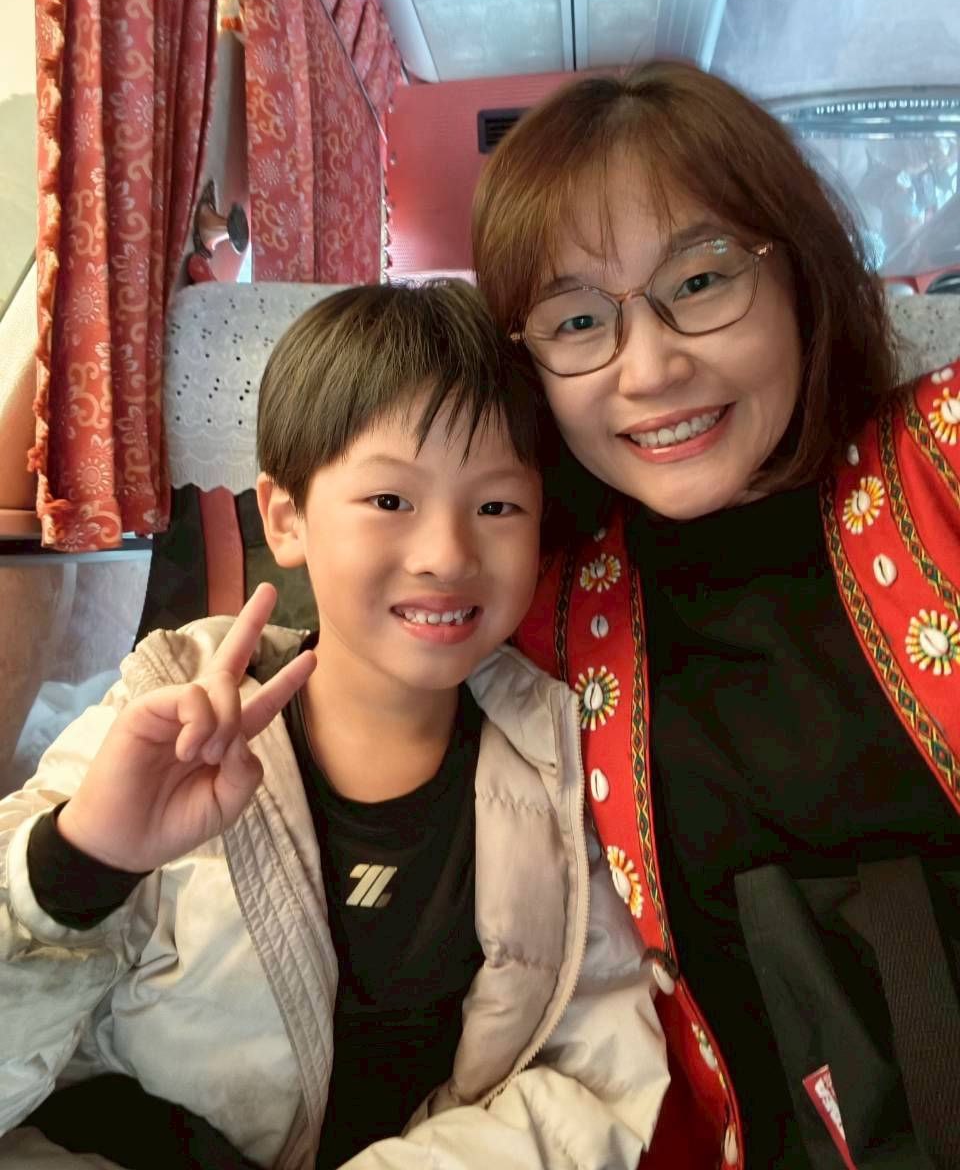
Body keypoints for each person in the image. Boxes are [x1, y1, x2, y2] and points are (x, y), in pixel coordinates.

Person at [0, 281, 669, 1169]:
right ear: (287, 519)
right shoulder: (166, 711)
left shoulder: (561, 760)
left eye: (497, 506)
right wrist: (79, 865)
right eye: (390, 501)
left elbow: (595, 1080)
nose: (447, 556)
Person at [471, 63, 960, 1170]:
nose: (650, 368)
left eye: (699, 281)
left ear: (800, 276)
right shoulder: (541, 618)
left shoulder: (941, 464)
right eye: (577, 319)